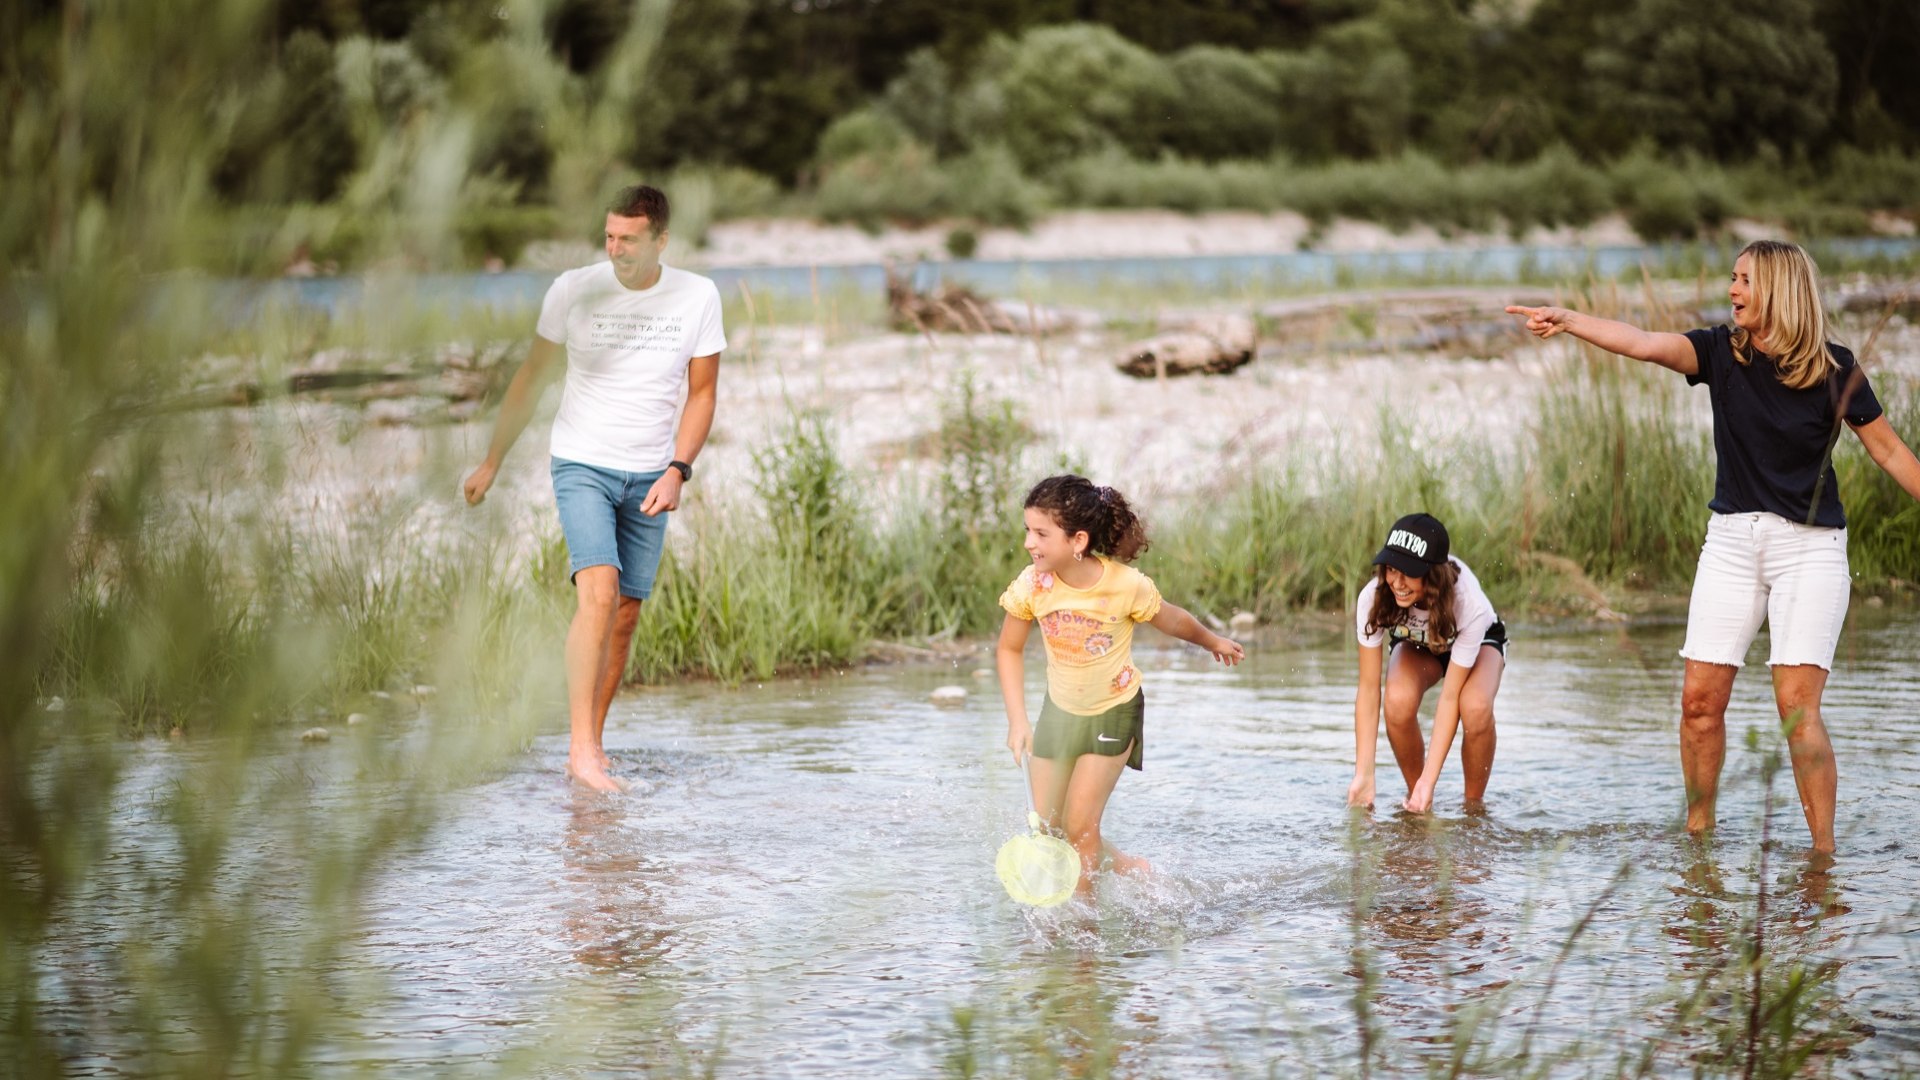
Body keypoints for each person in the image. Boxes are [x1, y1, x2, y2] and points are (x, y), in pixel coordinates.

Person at [1506, 240, 1920, 853]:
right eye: (1732, 277)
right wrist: (1569, 320)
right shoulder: (1718, 354)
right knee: (1699, 702)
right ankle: (1699, 841)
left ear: (1779, 290)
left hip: (1810, 549)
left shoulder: (1836, 369)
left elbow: (1886, 449)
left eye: (1745, 280)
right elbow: (1642, 341)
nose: (1733, 289)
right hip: (1731, 541)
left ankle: (1823, 859)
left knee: (1796, 708)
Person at [463, 185, 725, 793]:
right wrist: (492, 460)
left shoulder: (697, 296)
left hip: (653, 473)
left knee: (627, 615)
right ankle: (580, 752)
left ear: (661, 239)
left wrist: (677, 469)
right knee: (599, 595)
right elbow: (531, 376)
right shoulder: (574, 290)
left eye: (629, 239)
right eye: (609, 236)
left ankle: (592, 749)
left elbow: (703, 393)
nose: (615, 249)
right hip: (581, 462)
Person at [996, 475, 1245, 895]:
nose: (1028, 543)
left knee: (1080, 826)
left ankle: (1085, 933)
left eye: (1040, 533)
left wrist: (1213, 641)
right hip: (1060, 713)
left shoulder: (1125, 585)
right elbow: (1008, 649)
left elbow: (1173, 619)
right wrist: (1018, 721)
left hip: (1114, 711)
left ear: (1078, 540)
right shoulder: (1032, 586)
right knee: (1050, 826)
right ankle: (1127, 866)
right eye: (1027, 530)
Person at [1348, 513, 1508, 814]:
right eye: (1391, 569)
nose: (1397, 582)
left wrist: (1431, 779)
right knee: (1397, 700)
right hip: (1420, 643)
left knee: (1473, 706)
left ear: (1433, 574)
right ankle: (1417, 803)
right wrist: (1364, 773)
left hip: (1479, 640)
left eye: (1408, 573)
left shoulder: (1466, 601)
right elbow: (1369, 689)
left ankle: (1474, 810)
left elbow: (1450, 698)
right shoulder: (1373, 597)